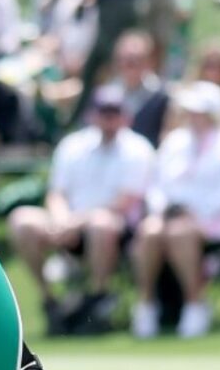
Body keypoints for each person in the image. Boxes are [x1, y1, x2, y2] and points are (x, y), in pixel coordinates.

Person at [9, 86, 154, 334]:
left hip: (116, 229)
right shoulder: (72, 145)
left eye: (115, 112)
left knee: (100, 223)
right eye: (104, 112)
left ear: (125, 116)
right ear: (93, 115)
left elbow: (125, 202)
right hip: (69, 224)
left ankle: (97, 299)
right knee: (22, 220)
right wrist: (61, 219)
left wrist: (76, 222)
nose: (109, 119)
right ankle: (49, 300)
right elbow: (57, 193)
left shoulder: (138, 148)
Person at [133, 81, 220, 339]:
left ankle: (194, 303)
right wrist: (161, 209)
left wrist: (198, 213)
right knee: (149, 231)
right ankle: (146, 304)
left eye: (201, 111)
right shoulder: (176, 141)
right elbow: (157, 184)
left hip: (218, 220)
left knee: (180, 233)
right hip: (172, 218)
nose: (195, 117)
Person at [99, 30, 170, 147]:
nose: (130, 65)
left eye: (137, 59)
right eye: (126, 59)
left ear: (149, 61)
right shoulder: (106, 94)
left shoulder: (161, 97)